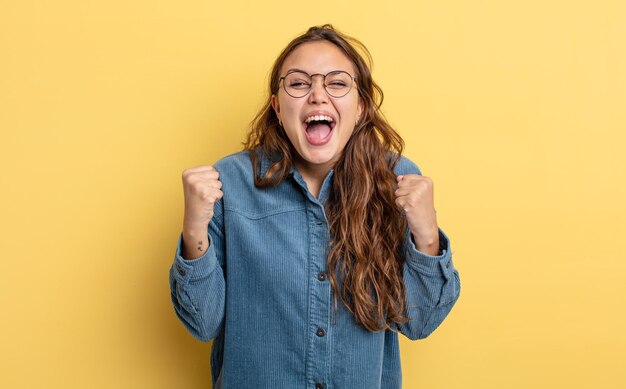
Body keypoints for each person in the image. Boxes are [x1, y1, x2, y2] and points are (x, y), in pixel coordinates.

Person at [169, 24, 461, 389]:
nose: (318, 96)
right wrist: (194, 228)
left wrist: (427, 234)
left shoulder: (397, 180)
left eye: (337, 83)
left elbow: (420, 322)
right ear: (277, 106)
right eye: (299, 83)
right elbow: (202, 322)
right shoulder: (229, 181)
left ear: (360, 107)